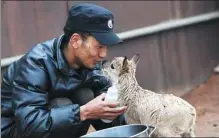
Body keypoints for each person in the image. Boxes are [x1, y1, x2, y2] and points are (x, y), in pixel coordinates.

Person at [1, 3, 127, 138]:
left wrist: (116, 113)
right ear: (75, 40)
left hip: (51, 127)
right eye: (99, 46)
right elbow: (30, 125)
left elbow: (113, 120)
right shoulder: (36, 64)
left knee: (85, 95)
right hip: (18, 131)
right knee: (63, 104)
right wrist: (83, 112)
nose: (103, 54)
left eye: (106, 47)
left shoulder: (91, 63)